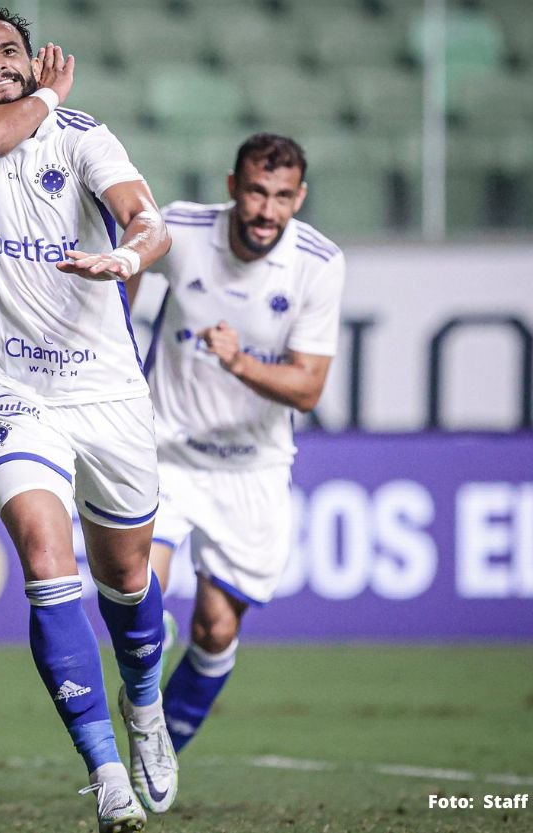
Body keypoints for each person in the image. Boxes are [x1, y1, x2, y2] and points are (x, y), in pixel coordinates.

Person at [0, 5, 174, 830]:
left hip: (106, 392)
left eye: (10, 51)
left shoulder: (82, 137)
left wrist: (127, 254)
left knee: (129, 580)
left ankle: (143, 706)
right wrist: (43, 97)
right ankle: (106, 775)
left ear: (33, 59)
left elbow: (147, 218)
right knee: (43, 553)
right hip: (10, 387)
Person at [127, 134, 344, 754]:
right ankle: (142, 673)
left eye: (281, 196)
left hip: (252, 469)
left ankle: (161, 746)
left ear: (299, 198)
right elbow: (130, 260)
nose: (265, 210)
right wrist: (117, 325)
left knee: (216, 629)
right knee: (140, 589)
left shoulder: (318, 264)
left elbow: (307, 390)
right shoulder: (184, 229)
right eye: (255, 191)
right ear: (232, 187)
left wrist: (239, 362)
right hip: (164, 453)